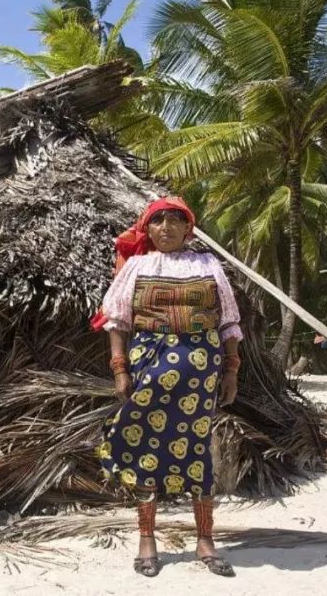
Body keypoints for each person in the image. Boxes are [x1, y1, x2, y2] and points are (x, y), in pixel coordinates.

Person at [92, 197, 242, 578]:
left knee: (198, 449)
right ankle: (146, 538)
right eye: (158, 222)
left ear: (188, 229)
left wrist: (231, 370)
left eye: (176, 221)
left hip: (200, 374)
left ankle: (205, 540)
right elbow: (118, 321)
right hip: (148, 368)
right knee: (144, 445)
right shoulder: (138, 267)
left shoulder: (207, 265)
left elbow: (228, 323)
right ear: (148, 229)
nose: (167, 229)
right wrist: (119, 369)